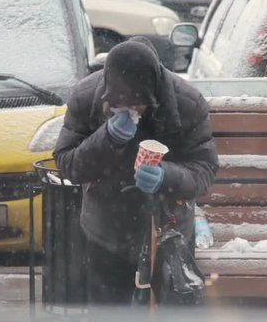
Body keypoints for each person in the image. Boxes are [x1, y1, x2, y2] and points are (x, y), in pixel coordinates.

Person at [53, 37, 219, 306]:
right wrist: (106, 138)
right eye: (120, 103)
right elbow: (69, 165)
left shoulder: (187, 102)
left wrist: (166, 176)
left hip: (168, 228)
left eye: (138, 103)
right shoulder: (86, 98)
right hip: (106, 224)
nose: (130, 110)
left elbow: (204, 169)